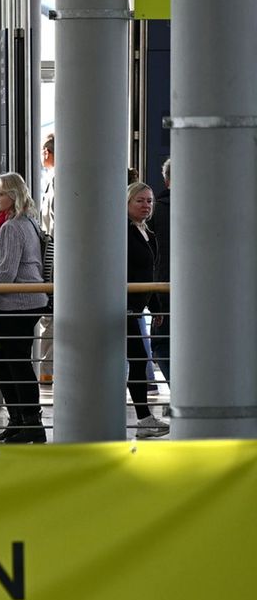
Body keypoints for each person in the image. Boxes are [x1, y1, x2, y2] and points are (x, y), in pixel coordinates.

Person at [0, 173, 49, 443]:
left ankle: (30, 422)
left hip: (17, 305)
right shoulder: (25, 222)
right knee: (2, 360)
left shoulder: (13, 227)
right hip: (18, 303)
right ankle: (18, 420)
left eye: (0, 193)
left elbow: (5, 274)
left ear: (14, 196)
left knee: (15, 363)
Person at [125, 182, 170, 438]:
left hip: (137, 306)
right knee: (139, 358)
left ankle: (144, 418)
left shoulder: (147, 233)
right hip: (123, 306)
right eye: (140, 201)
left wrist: (156, 307)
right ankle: (143, 418)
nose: (146, 206)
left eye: (149, 201)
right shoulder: (123, 232)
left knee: (139, 358)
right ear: (127, 203)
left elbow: (149, 274)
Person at [149, 157, 172, 386]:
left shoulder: (155, 211)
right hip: (204, 292)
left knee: (162, 343)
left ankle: (180, 390)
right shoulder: (210, 209)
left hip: (163, 287)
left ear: (166, 181)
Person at [36, 133, 56, 383]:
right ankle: (46, 370)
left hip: (53, 256)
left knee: (50, 316)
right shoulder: (53, 181)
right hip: (52, 255)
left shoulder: (57, 181)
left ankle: (47, 371)